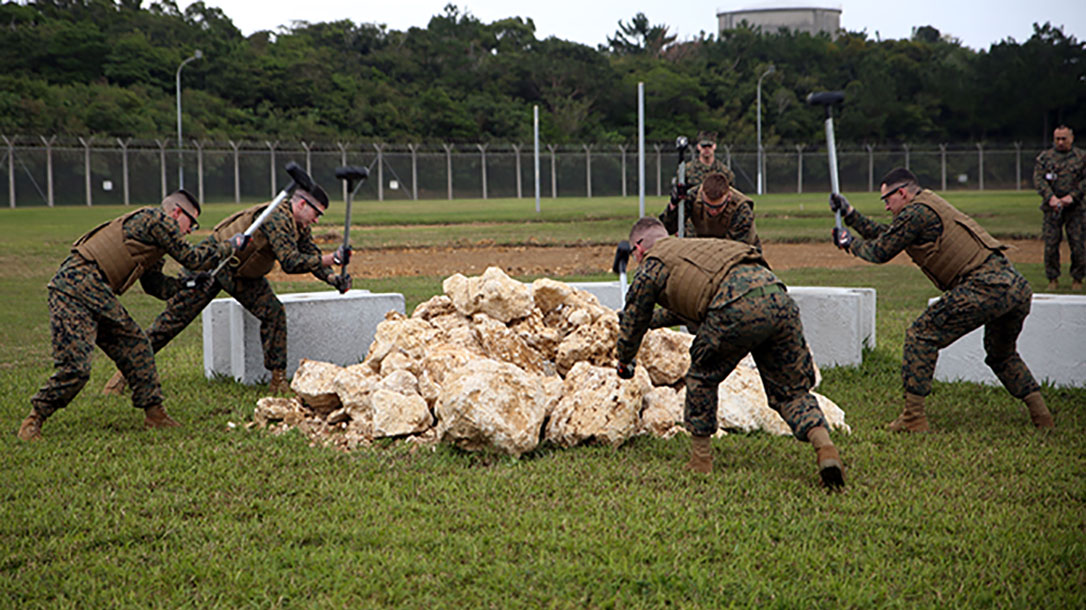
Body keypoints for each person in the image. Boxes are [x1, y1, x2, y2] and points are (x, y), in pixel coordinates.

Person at [615, 217, 844, 489]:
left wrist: (625, 360)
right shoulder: (693, 250)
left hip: (734, 308)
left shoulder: (651, 266)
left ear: (639, 248)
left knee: (701, 377)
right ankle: (825, 449)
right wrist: (649, 320)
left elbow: (633, 322)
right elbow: (685, 304)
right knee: (790, 391)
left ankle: (700, 461)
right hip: (778, 298)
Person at [830, 167, 1054, 432]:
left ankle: (913, 417)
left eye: (887, 199)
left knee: (921, 334)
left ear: (901, 193)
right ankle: (1043, 418)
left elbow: (880, 251)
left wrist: (849, 243)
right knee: (1001, 355)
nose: (887, 207)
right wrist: (851, 215)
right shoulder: (927, 206)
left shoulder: (915, 213)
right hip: (1014, 287)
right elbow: (889, 234)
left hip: (985, 286)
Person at [17, 190, 241, 440]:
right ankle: (34, 419)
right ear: (177, 212)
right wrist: (229, 246)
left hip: (97, 292)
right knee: (76, 369)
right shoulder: (157, 220)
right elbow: (192, 257)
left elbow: (153, 284)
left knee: (137, 346)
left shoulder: (153, 239)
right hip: (73, 289)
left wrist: (187, 285)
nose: (190, 230)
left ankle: (155, 415)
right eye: (192, 222)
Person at [101, 184, 352, 396]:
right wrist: (331, 259)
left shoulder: (300, 227)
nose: (317, 219)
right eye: (316, 213)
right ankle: (123, 374)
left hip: (243, 274)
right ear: (301, 205)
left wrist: (333, 277)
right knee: (170, 324)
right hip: (213, 265)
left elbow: (311, 257)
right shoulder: (276, 216)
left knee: (273, 312)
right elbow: (290, 261)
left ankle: (277, 381)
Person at [1033, 125, 1085, 291]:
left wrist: (1073, 196)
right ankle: (1052, 279)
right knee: (1051, 245)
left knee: (1077, 244)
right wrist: (1051, 198)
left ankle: (1077, 278)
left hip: (1075, 209)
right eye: (1057, 139)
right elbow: (1039, 180)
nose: (1060, 142)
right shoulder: (1045, 158)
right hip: (1052, 209)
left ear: (1071, 138)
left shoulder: (1081, 157)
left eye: (1064, 138)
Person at [660, 172, 761, 250]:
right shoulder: (693, 196)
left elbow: (737, 249)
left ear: (729, 197)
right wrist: (673, 205)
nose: (713, 211)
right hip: (703, 248)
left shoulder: (742, 209)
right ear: (702, 194)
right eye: (708, 206)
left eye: (718, 207)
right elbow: (667, 228)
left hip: (736, 252)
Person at [661, 131, 736, 233]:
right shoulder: (687, 170)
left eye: (709, 146)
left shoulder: (725, 173)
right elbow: (679, 196)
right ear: (698, 147)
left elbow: (732, 200)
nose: (706, 149)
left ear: (714, 146)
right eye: (703, 146)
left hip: (718, 224)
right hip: (692, 226)